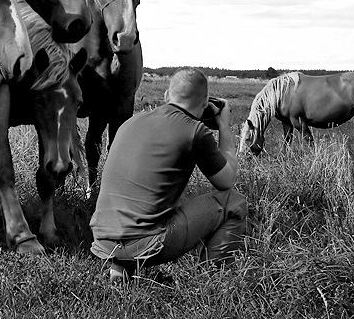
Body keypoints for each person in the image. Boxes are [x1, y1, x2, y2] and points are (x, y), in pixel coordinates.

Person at [89, 67, 248, 283]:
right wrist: (224, 127)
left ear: (166, 96)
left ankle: (121, 268)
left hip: (102, 241)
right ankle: (215, 280)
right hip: (147, 244)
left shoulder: (130, 123)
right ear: (204, 104)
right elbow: (226, 181)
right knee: (234, 203)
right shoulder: (195, 130)